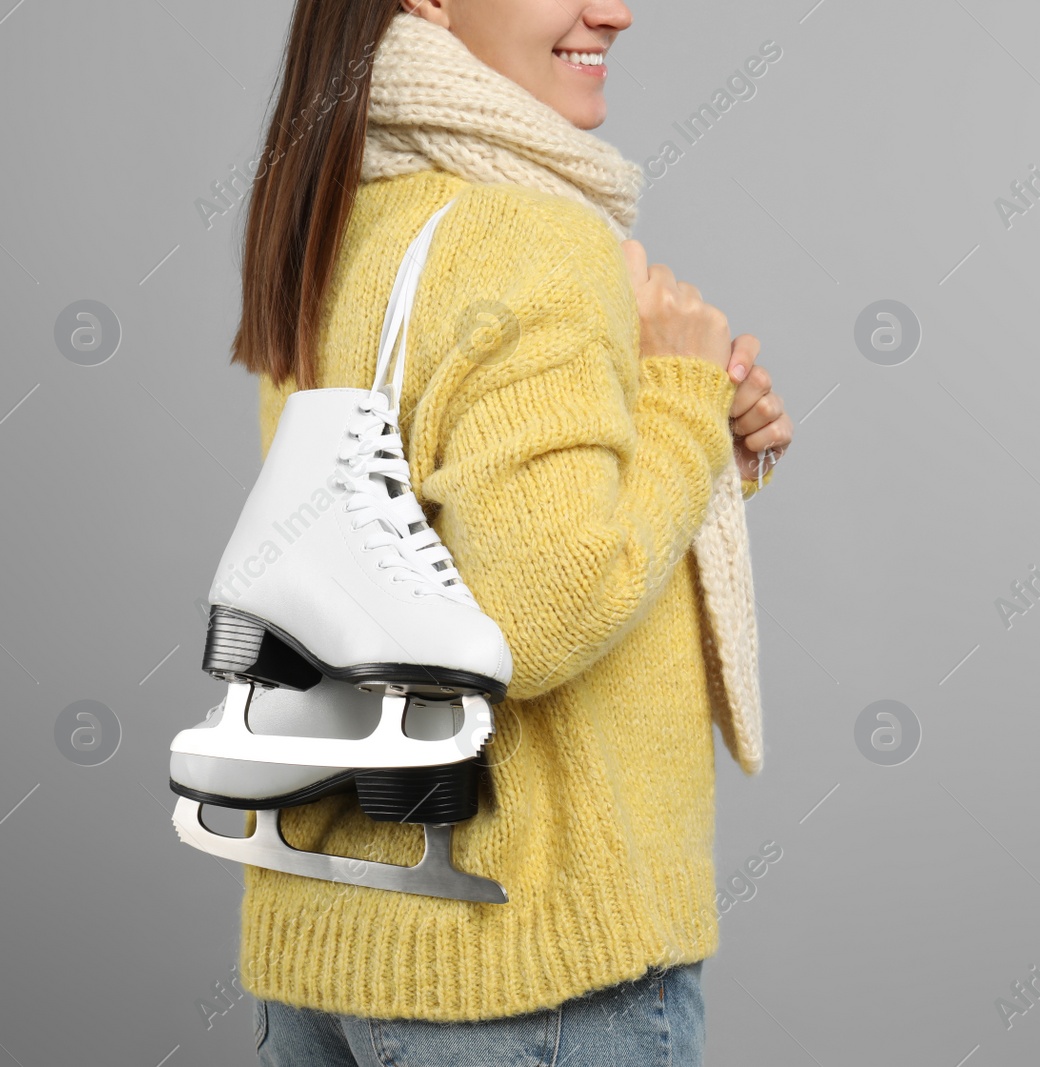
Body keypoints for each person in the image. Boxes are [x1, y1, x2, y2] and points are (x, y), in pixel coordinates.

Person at [224, 1, 794, 1063]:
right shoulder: (534, 243)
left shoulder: (337, 223)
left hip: (327, 944)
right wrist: (676, 398)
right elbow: (539, 611)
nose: (613, 10)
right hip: (521, 968)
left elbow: (400, 542)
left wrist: (689, 432)